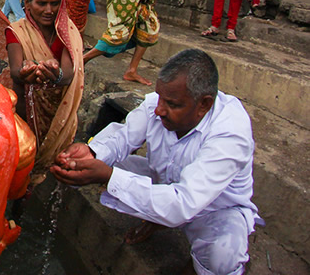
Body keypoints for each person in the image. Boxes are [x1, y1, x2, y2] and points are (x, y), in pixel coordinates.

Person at [51, 49, 261, 275]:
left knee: (222, 255)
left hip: (215, 208)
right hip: (167, 184)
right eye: (159, 97)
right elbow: (122, 137)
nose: (159, 109)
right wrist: (90, 153)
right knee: (115, 167)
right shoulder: (159, 104)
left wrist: (108, 176)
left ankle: (212, 264)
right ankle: (157, 218)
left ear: (204, 105)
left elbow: (183, 203)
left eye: (172, 104)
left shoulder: (229, 133)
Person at [5, 0, 84, 182]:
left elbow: (67, 75)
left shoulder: (68, 31)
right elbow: (15, 70)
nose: (49, 10)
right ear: (27, 4)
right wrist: (27, 72)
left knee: (49, 170)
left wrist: (54, 74)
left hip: (60, 115)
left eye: (54, 3)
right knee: (21, 169)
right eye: (41, 3)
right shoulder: (17, 31)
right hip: (25, 113)